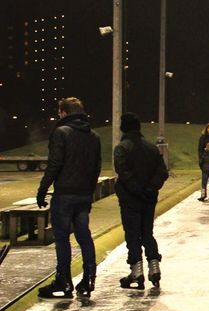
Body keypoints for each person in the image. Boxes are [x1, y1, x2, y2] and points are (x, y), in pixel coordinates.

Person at [36, 97, 102, 299]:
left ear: (64, 112)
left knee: (62, 238)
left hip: (64, 194)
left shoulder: (61, 133)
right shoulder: (94, 136)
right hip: (83, 195)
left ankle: (63, 281)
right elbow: (96, 168)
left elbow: (55, 164)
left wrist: (42, 189)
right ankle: (89, 277)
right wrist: (89, 191)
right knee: (84, 236)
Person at [114, 112, 169, 289]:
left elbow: (124, 173)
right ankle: (154, 267)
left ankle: (136, 272)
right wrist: (150, 188)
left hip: (130, 199)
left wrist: (137, 190)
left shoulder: (122, 148)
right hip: (149, 199)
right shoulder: (151, 148)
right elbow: (162, 172)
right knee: (147, 233)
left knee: (132, 234)